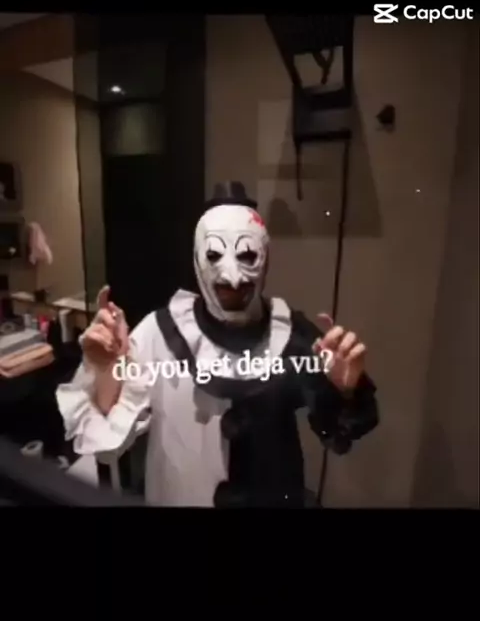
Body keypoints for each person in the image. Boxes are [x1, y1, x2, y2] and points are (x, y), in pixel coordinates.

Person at [56, 182, 379, 507]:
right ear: (197, 258)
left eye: (247, 255)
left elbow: (338, 434)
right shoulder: (159, 334)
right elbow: (107, 446)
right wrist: (106, 370)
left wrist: (346, 391)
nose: (233, 277)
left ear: (266, 258)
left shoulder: (291, 337)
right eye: (214, 255)